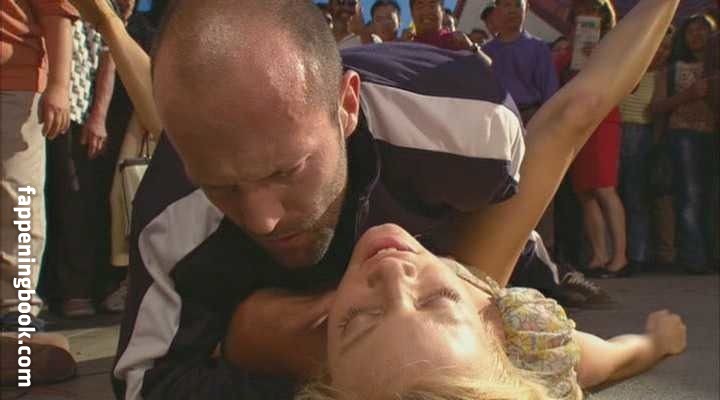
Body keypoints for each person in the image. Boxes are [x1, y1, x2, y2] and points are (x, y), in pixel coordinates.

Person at [225, 0, 686, 396]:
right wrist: (654, 343)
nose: (392, 271)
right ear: (491, 323)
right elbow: (575, 111)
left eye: (359, 319)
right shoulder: (519, 341)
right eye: (437, 300)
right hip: (484, 296)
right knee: (617, 354)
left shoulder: (270, 336)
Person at [1, 0, 79, 385]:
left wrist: (59, 85)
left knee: (18, 197)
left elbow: (56, 12)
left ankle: (17, 311)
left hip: (14, 82)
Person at [482, 0, 560, 254]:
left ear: (526, 9)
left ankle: (544, 250)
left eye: (517, 5)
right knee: (501, 187)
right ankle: (503, 251)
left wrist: (542, 128)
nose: (512, 11)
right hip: (498, 124)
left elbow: (551, 94)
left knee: (536, 185)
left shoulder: (538, 48)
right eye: (506, 5)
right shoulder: (485, 52)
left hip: (532, 118)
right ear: (496, 10)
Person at [559, 0, 630, 278]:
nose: (587, 15)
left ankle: (620, 257)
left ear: (604, 16)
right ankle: (599, 255)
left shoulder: (615, 46)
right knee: (584, 191)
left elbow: (631, 82)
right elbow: (560, 76)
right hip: (578, 123)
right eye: (581, 11)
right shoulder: (569, 47)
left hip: (603, 120)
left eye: (593, 10)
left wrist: (601, 59)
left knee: (605, 188)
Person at [650, 14, 718, 274]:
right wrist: (688, 95)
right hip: (683, 137)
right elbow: (655, 107)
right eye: (691, 30)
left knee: (711, 199)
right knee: (690, 197)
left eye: (703, 30)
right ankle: (694, 258)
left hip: (713, 137)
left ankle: (713, 255)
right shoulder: (672, 69)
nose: (697, 35)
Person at [616, 26, 675, 275]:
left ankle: (638, 255)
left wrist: (655, 144)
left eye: (666, 48)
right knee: (612, 196)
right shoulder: (626, 68)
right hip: (614, 132)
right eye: (657, 45)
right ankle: (615, 254)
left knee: (636, 197)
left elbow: (657, 113)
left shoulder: (661, 76)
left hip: (641, 135)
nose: (661, 51)